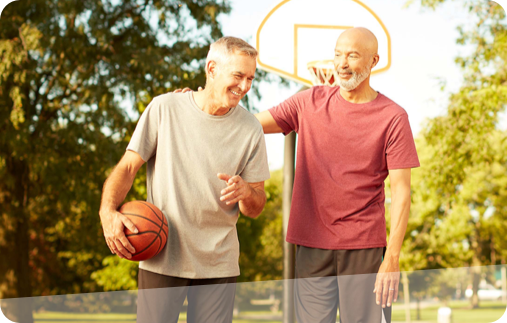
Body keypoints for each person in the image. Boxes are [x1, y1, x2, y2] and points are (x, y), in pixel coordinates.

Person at [98, 36, 270, 323]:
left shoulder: (251, 129)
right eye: (238, 75)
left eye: (251, 78)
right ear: (212, 69)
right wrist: (107, 211)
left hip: (219, 265)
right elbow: (127, 167)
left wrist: (246, 194)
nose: (245, 86)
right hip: (162, 256)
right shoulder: (164, 108)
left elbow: (256, 206)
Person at [255, 27, 420, 322]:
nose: (342, 63)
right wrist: (202, 106)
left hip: (363, 248)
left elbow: (402, 194)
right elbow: (251, 124)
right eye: (338, 54)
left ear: (374, 61)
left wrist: (392, 257)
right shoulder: (308, 101)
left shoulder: (393, 117)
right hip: (311, 246)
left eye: (353, 55)